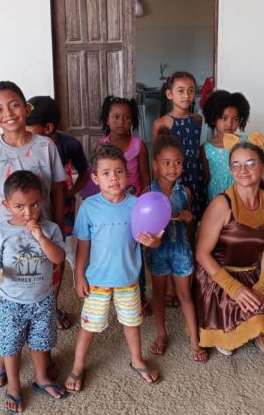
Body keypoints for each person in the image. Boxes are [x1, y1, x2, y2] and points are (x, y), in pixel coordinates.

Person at [0, 81, 65, 387]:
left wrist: (59, 229)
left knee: (43, 291)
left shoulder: (45, 146)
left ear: (26, 108)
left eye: (13, 105)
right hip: (5, 238)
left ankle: (41, 352)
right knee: (2, 295)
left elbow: (59, 191)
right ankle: (3, 357)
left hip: (42, 234)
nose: (8, 113)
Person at [65, 144, 164, 392]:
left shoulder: (137, 205)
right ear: (96, 178)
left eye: (119, 171)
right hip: (97, 279)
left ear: (127, 174)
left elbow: (151, 237)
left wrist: (154, 241)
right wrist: (79, 276)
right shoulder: (89, 207)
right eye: (107, 173)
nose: (114, 178)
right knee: (89, 325)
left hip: (128, 278)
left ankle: (137, 359)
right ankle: (78, 366)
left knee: (132, 322)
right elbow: (83, 246)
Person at [194, 133, 264, 361]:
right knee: (231, 341)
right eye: (236, 165)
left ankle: (252, 328)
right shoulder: (222, 204)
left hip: (252, 275)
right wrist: (234, 289)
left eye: (251, 163)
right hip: (218, 277)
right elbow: (202, 253)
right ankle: (238, 328)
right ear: (230, 169)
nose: (243, 170)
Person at [0, 170, 68, 413]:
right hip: (11, 301)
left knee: (41, 343)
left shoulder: (50, 229)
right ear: (6, 205)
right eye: (19, 206)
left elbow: (58, 258)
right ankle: (14, 386)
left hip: (42, 299)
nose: (28, 213)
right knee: (10, 344)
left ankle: (41, 378)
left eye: (34, 205)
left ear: (43, 200)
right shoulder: (0, 233)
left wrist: (40, 238)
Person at [26, 95, 89, 331]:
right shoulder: (25, 146)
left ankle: (51, 305)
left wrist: (73, 190)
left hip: (63, 207)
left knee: (58, 251)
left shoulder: (68, 144)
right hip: (35, 209)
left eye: (29, 127)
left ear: (48, 128)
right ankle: (34, 304)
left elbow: (84, 171)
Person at [143, 133, 207, 363]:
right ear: (155, 165)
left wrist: (189, 219)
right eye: (166, 163)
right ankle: (161, 334)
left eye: (177, 162)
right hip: (158, 251)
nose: (173, 168)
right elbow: (143, 227)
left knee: (185, 295)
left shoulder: (185, 193)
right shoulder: (148, 194)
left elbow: (190, 226)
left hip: (181, 249)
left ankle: (194, 340)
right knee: (158, 294)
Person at [96, 95, 152, 313]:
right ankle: (109, 289)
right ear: (107, 120)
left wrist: (145, 204)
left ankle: (140, 294)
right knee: (110, 247)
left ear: (133, 121)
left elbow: (146, 178)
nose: (121, 121)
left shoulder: (139, 145)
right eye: (116, 117)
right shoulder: (101, 145)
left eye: (127, 117)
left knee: (134, 249)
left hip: (133, 208)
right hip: (109, 208)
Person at [152, 71, 204, 220]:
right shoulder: (161, 123)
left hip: (193, 176)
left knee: (190, 216)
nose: (186, 95)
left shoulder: (197, 120)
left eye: (191, 90)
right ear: (169, 94)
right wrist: (157, 187)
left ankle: (189, 244)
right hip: (171, 176)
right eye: (180, 91)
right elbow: (156, 157)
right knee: (169, 215)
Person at [200, 90, 251, 202]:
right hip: (217, 197)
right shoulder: (206, 148)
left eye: (235, 119)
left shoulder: (245, 143)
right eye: (224, 118)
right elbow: (207, 178)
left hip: (242, 195)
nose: (230, 124)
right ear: (213, 119)